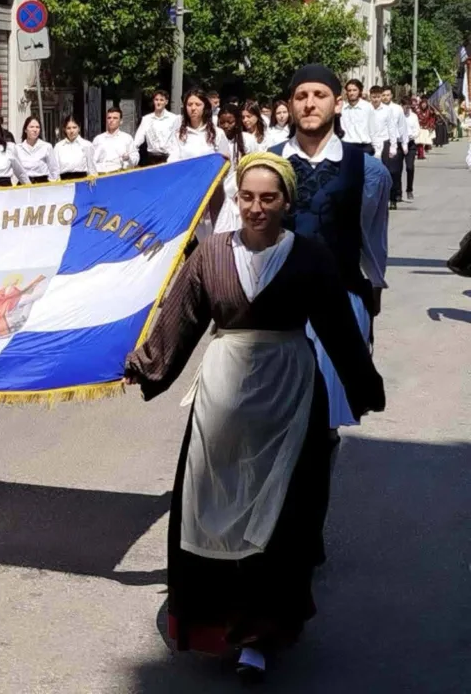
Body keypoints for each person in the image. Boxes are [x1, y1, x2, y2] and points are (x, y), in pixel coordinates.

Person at [124, 152, 384, 681]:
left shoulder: (310, 257)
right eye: (247, 197)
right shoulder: (212, 254)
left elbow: (337, 327)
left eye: (268, 198)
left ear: (286, 202)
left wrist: (364, 386)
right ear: (234, 199)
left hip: (288, 395)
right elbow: (182, 316)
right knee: (212, 504)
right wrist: (146, 364)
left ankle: (259, 638)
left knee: (281, 516)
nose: (256, 208)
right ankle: (215, 624)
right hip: (221, 395)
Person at [269, 65, 390, 545]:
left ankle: (309, 525)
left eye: (320, 94)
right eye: (301, 94)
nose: (310, 103)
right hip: (278, 307)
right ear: (291, 103)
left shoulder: (368, 169)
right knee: (277, 419)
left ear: (337, 102)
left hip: (340, 303)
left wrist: (371, 302)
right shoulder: (268, 161)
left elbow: (372, 241)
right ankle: (276, 518)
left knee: (322, 427)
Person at [214, 104, 261, 234]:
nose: (226, 126)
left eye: (230, 122)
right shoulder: (214, 139)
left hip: (239, 190)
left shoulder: (248, 139)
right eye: (222, 122)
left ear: (237, 122)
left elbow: (255, 165)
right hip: (219, 190)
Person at [381, 86, 409, 208]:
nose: (385, 97)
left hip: (395, 144)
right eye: (383, 95)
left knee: (394, 172)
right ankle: (384, 197)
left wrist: (404, 143)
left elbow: (402, 127)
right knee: (382, 172)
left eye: (388, 95)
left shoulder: (397, 109)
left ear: (391, 96)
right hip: (381, 143)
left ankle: (394, 197)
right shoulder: (377, 109)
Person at [134, 90, 177, 166]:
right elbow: (138, 139)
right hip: (152, 158)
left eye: (161, 100)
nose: (158, 102)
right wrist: (132, 150)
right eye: (156, 100)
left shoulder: (174, 119)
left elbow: (178, 138)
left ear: (166, 102)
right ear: (153, 101)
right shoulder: (146, 119)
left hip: (169, 158)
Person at [92, 106, 139, 174]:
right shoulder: (98, 139)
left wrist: (128, 158)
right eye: (109, 118)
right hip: (100, 175)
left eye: (115, 118)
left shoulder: (127, 138)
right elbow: (91, 160)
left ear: (121, 121)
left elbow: (135, 158)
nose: (111, 120)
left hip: (119, 175)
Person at [15, 116, 59, 184]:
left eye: (37, 127)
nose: (35, 130)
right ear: (25, 130)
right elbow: (15, 170)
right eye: (31, 127)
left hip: (42, 184)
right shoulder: (18, 148)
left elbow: (54, 169)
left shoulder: (47, 147)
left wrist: (50, 184)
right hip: (23, 185)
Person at [53, 115, 96, 180]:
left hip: (83, 182)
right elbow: (55, 169)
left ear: (79, 128)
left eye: (74, 127)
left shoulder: (87, 145)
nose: (71, 131)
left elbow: (92, 168)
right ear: (64, 129)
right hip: (63, 183)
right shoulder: (58, 147)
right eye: (68, 128)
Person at [340, 79, 375, 156]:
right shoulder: (342, 109)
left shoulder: (367, 107)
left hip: (364, 148)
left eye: (354, 90)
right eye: (349, 90)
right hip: (346, 147)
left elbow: (374, 129)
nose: (352, 93)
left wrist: (377, 150)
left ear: (360, 91)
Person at [368, 85, 397, 164]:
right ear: (370, 97)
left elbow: (391, 128)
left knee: (384, 168)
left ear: (381, 96)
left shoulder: (387, 110)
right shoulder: (366, 108)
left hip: (384, 142)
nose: (376, 99)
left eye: (378, 97)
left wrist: (393, 146)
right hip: (369, 143)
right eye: (374, 97)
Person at [403, 97, 420, 200]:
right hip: (399, 143)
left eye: (409, 106)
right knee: (396, 169)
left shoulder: (413, 116)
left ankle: (409, 189)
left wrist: (412, 136)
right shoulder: (397, 115)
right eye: (405, 106)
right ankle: (397, 192)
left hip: (410, 143)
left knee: (410, 167)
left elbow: (417, 130)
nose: (407, 108)